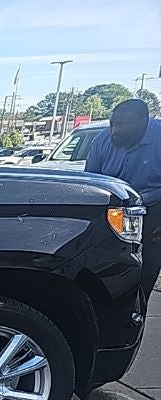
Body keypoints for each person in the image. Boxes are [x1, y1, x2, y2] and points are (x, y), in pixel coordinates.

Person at [85, 99, 161, 298]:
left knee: (148, 262)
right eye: (113, 123)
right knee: (110, 261)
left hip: (153, 209)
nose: (115, 130)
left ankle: (139, 306)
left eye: (123, 124)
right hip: (113, 210)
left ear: (144, 121)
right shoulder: (103, 140)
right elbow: (90, 181)